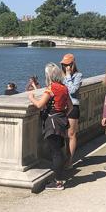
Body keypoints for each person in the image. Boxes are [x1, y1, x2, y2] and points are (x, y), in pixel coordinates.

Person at [29, 63, 71, 191]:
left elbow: (40, 105)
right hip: (62, 120)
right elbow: (70, 107)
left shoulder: (51, 88)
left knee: (56, 152)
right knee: (59, 150)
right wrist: (61, 114)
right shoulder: (64, 88)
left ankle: (58, 182)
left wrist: (31, 97)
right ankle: (59, 178)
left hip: (52, 122)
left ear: (48, 75)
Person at [60, 53, 83, 162]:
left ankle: (70, 160)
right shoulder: (61, 75)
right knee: (63, 135)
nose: (65, 67)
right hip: (62, 107)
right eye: (64, 65)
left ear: (72, 64)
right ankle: (64, 157)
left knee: (71, 134)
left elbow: (72, 90)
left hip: (73, 107)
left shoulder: (78, 76)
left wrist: (68, 76)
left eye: (67, 64)